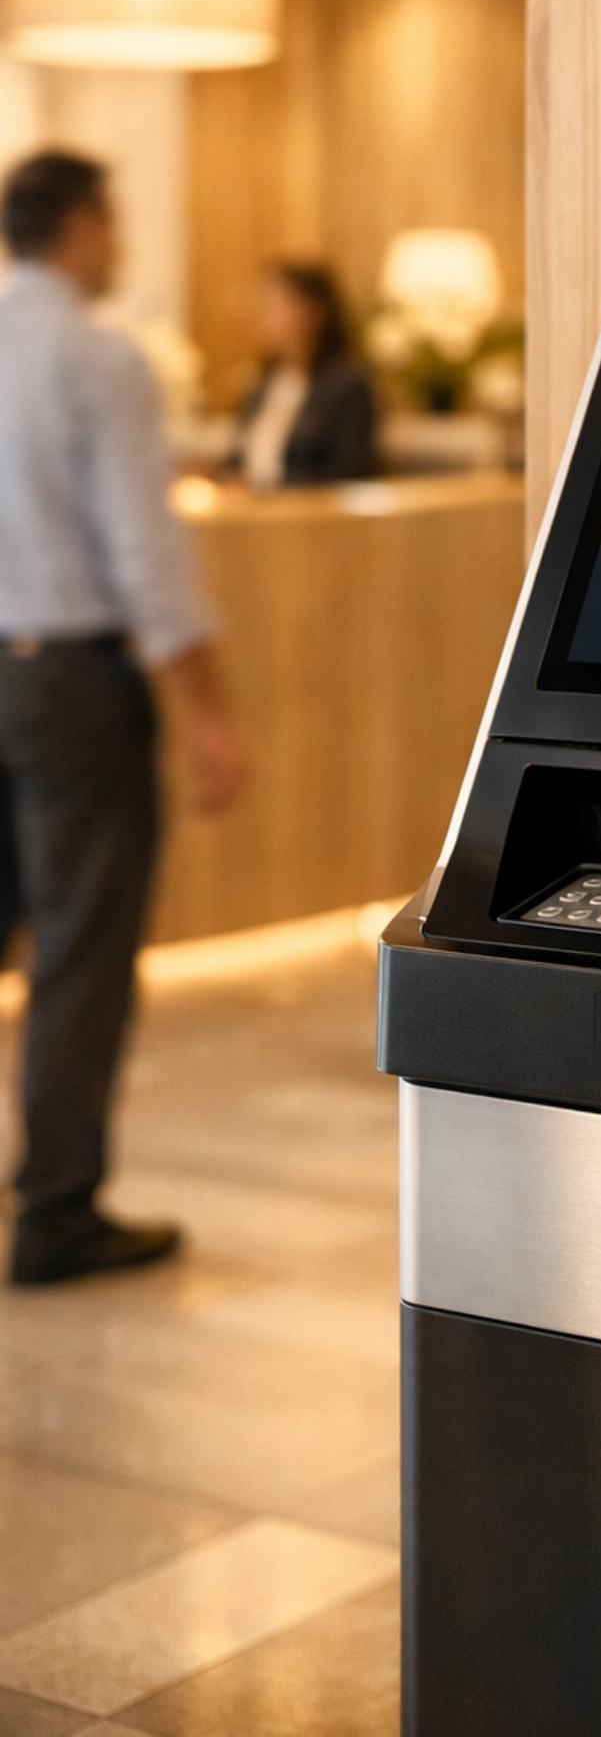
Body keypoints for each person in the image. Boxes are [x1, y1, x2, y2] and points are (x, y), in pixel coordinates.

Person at [0, 151, 244, 1286]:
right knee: (80, 954)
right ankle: (57, 1211)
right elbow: (147, 560)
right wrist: (210, 713)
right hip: (69, 688)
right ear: (84, 226)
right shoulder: (97, 359)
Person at [237, 261, 377, 487]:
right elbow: (239, 459)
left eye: (275, 307)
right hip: (251, 503)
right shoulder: (262, 385)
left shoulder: (347, 386)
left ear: (314, 313)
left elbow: (350, 471)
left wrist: (271, 487)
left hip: (308, 507)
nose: (264, 318)